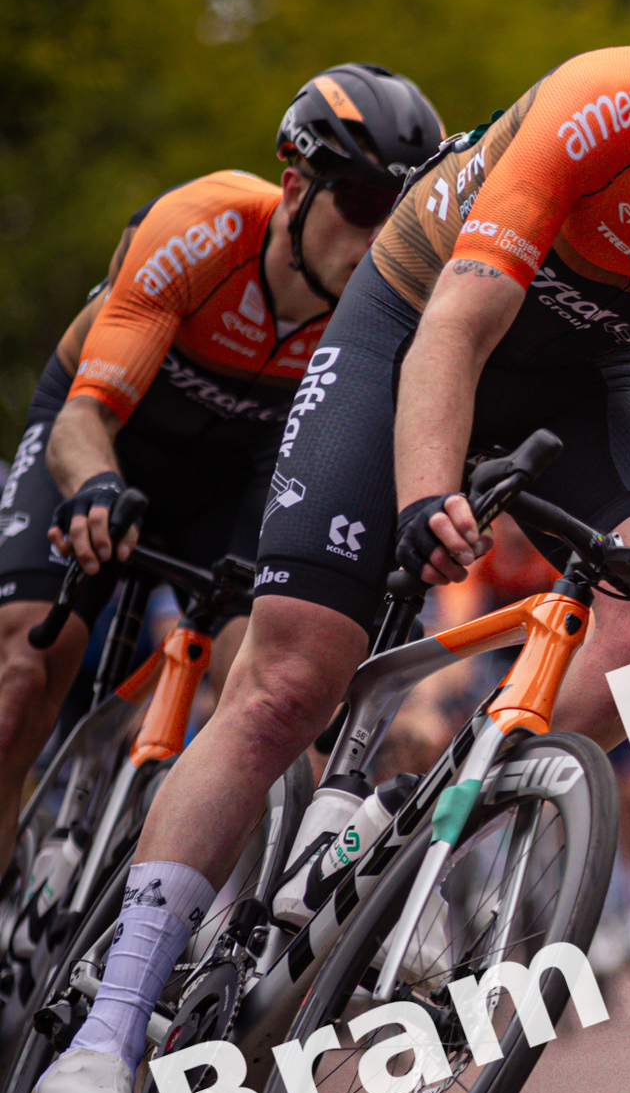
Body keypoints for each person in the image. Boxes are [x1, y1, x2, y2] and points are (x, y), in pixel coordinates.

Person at [37, 0, 630, 1093]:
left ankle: (429, 799)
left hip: (591, 364)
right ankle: (111, 1024)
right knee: (289, 676)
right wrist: (424, 500)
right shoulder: (604, 103)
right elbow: (455, 328)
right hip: (415, 323)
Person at [0, 65, 442, 882]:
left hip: (240, 477)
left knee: (274, 694)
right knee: (23, 670)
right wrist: (95, 489)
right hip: (114, 443)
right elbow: (84, 419)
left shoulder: (391, 304)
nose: (380, 237)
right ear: (294, 187)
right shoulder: (201, 228)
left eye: (400, 213)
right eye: (360, 204)